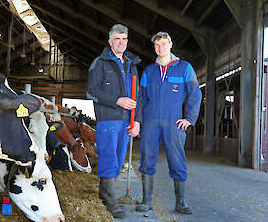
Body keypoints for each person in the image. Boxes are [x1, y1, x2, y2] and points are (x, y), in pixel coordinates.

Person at [135, 32, 202, 214]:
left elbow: (195, 93)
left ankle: (180, 202)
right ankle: (146, 200)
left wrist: (189, 118)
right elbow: (141, 99)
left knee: (177, 159)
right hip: (150, 122)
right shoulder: (149, 71)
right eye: (157, 45)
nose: (160, 48)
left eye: (164, 44)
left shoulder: (184, 67)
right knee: (147, 159)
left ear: (171, 44)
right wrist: (138, 122)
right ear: (154, 47)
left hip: (174, 122)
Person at [86, 24, 141, 219]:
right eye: (117, 39)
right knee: (109, 160)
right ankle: (111, 203)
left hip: (127, 121)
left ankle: (103, 194)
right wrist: (116, 100)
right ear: (110, 41)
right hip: (108, 121)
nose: (121, 43)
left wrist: (138, 122)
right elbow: (91, 91)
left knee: (117, 162)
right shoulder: (100, 63)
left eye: (124, 39)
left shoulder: (132, 64)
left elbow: (138, 96)